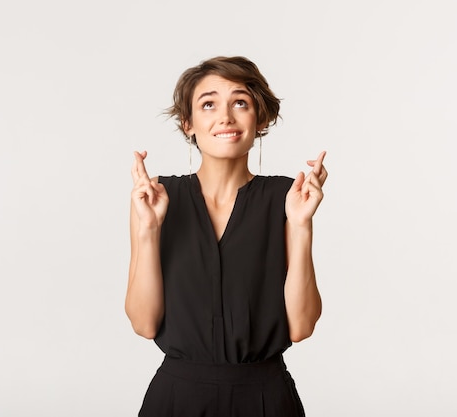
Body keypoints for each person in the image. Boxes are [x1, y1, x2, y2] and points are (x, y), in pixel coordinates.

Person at [126, 56, 328, 417]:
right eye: (208, 104)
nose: (225, 117)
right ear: (188, 123)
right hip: (177, 400)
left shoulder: (288, 198)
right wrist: (149, 229)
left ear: (260, 118)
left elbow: (301, 327)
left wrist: (300, 225)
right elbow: (144, 323)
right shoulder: (157, 197)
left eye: (240, 102)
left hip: (265, 400)